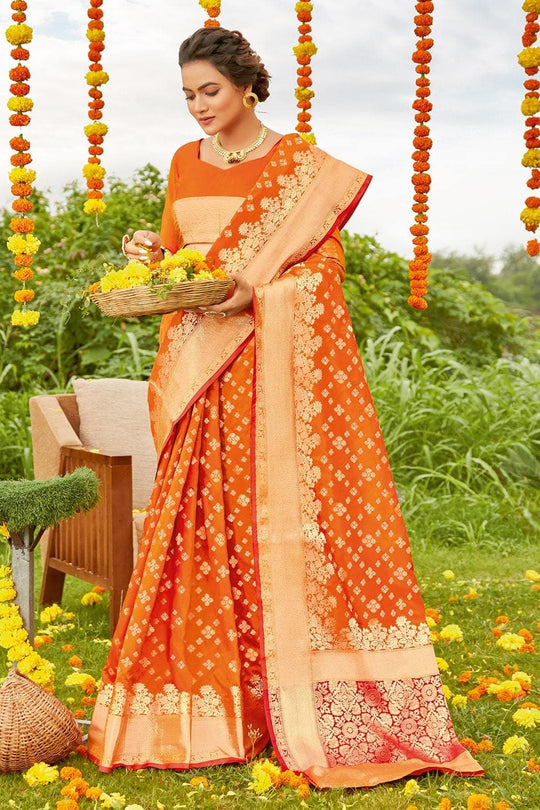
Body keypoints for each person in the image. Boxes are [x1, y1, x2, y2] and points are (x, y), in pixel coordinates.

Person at [88, 27, 483, 788]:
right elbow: (181, 256)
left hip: (270, 381)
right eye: (189, 96)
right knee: (207, 528)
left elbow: (321, 271)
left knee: (279, 528)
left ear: (247, 88)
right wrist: (150, 254)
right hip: (204, 379)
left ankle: (297, 699)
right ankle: (216, 706)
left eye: (210, 91)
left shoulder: (297, 166)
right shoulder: (181, 162)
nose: (199, 108)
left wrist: (256, 291)